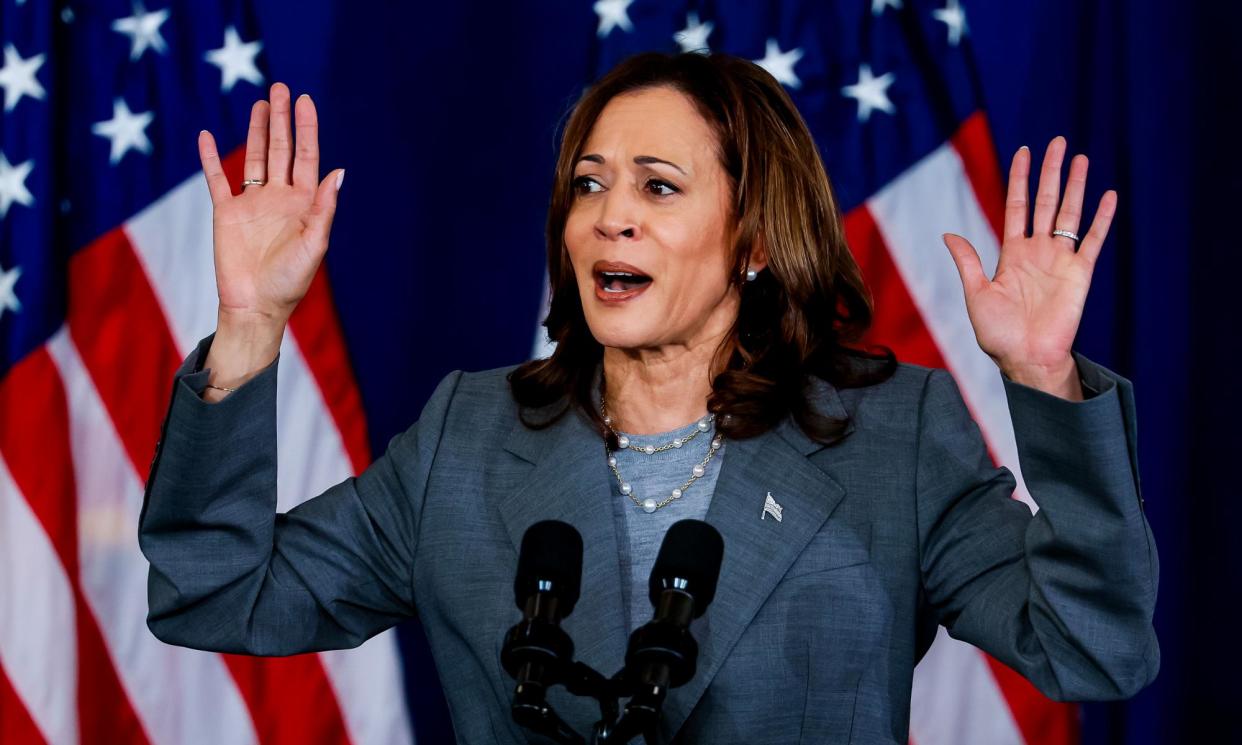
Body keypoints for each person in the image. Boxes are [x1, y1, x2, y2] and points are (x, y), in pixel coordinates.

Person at [139, 52, 1159, 744]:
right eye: (588, 185)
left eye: (658, 187)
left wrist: (1041, 383)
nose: (609, 217)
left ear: (755, 238)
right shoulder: (469, 433)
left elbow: (1090, 647)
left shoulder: (895, 433)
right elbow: (217, 591)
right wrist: (251, 328)